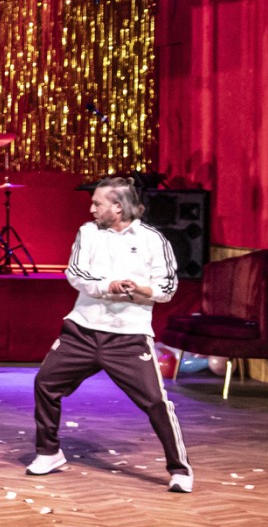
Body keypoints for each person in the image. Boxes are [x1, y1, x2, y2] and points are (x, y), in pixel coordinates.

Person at [28, 177, 189, 492]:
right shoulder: (88, 233)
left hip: (129, 336)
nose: (91, 209)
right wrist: (107, 286)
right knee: (45, 384)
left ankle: (180, 470)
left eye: (97, 203)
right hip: (82, 330)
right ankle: (48, 452)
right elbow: (76, 273)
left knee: (156, 402)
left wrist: (143, 289)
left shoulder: (153, 240)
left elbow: (168, 287)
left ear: (118, 206)